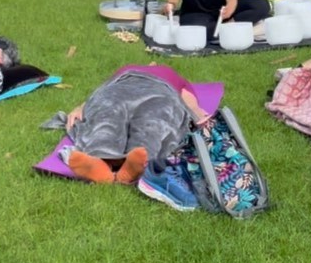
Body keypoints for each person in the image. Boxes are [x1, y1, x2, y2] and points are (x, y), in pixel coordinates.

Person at [56, 64, 212, 185]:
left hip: (158, 90)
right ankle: (104, 164)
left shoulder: (173, 75)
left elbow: (191, 104)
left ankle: (113, 161)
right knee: (111, 113)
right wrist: (81, 107)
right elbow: (102, 92)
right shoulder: (127, 69)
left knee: (147, 120)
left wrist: (199, 115)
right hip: (123, 87)